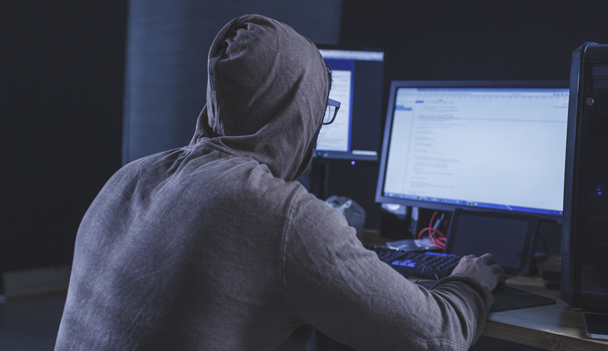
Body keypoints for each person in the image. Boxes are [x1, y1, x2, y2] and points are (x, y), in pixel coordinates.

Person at [55, 14, 507, 351]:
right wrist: (468, 284)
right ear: (300, 110)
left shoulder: (129, 177)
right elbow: (434, 336)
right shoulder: (280, 214)